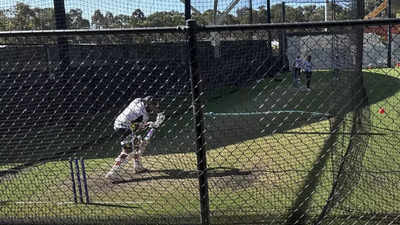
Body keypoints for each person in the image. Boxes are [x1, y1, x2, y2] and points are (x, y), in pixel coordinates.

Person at [105, 96, 165, 180]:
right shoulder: (143, 115)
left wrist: (150, 121)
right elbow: (136, 127)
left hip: (120, 123)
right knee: (128, 150)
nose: (154, 108)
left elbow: (134, 122)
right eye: (153, 106)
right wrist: (153, 124)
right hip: (124, 128)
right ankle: (113, 173)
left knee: (138, 144)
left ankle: (138, 167)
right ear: (148, 105)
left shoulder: (137, 100)